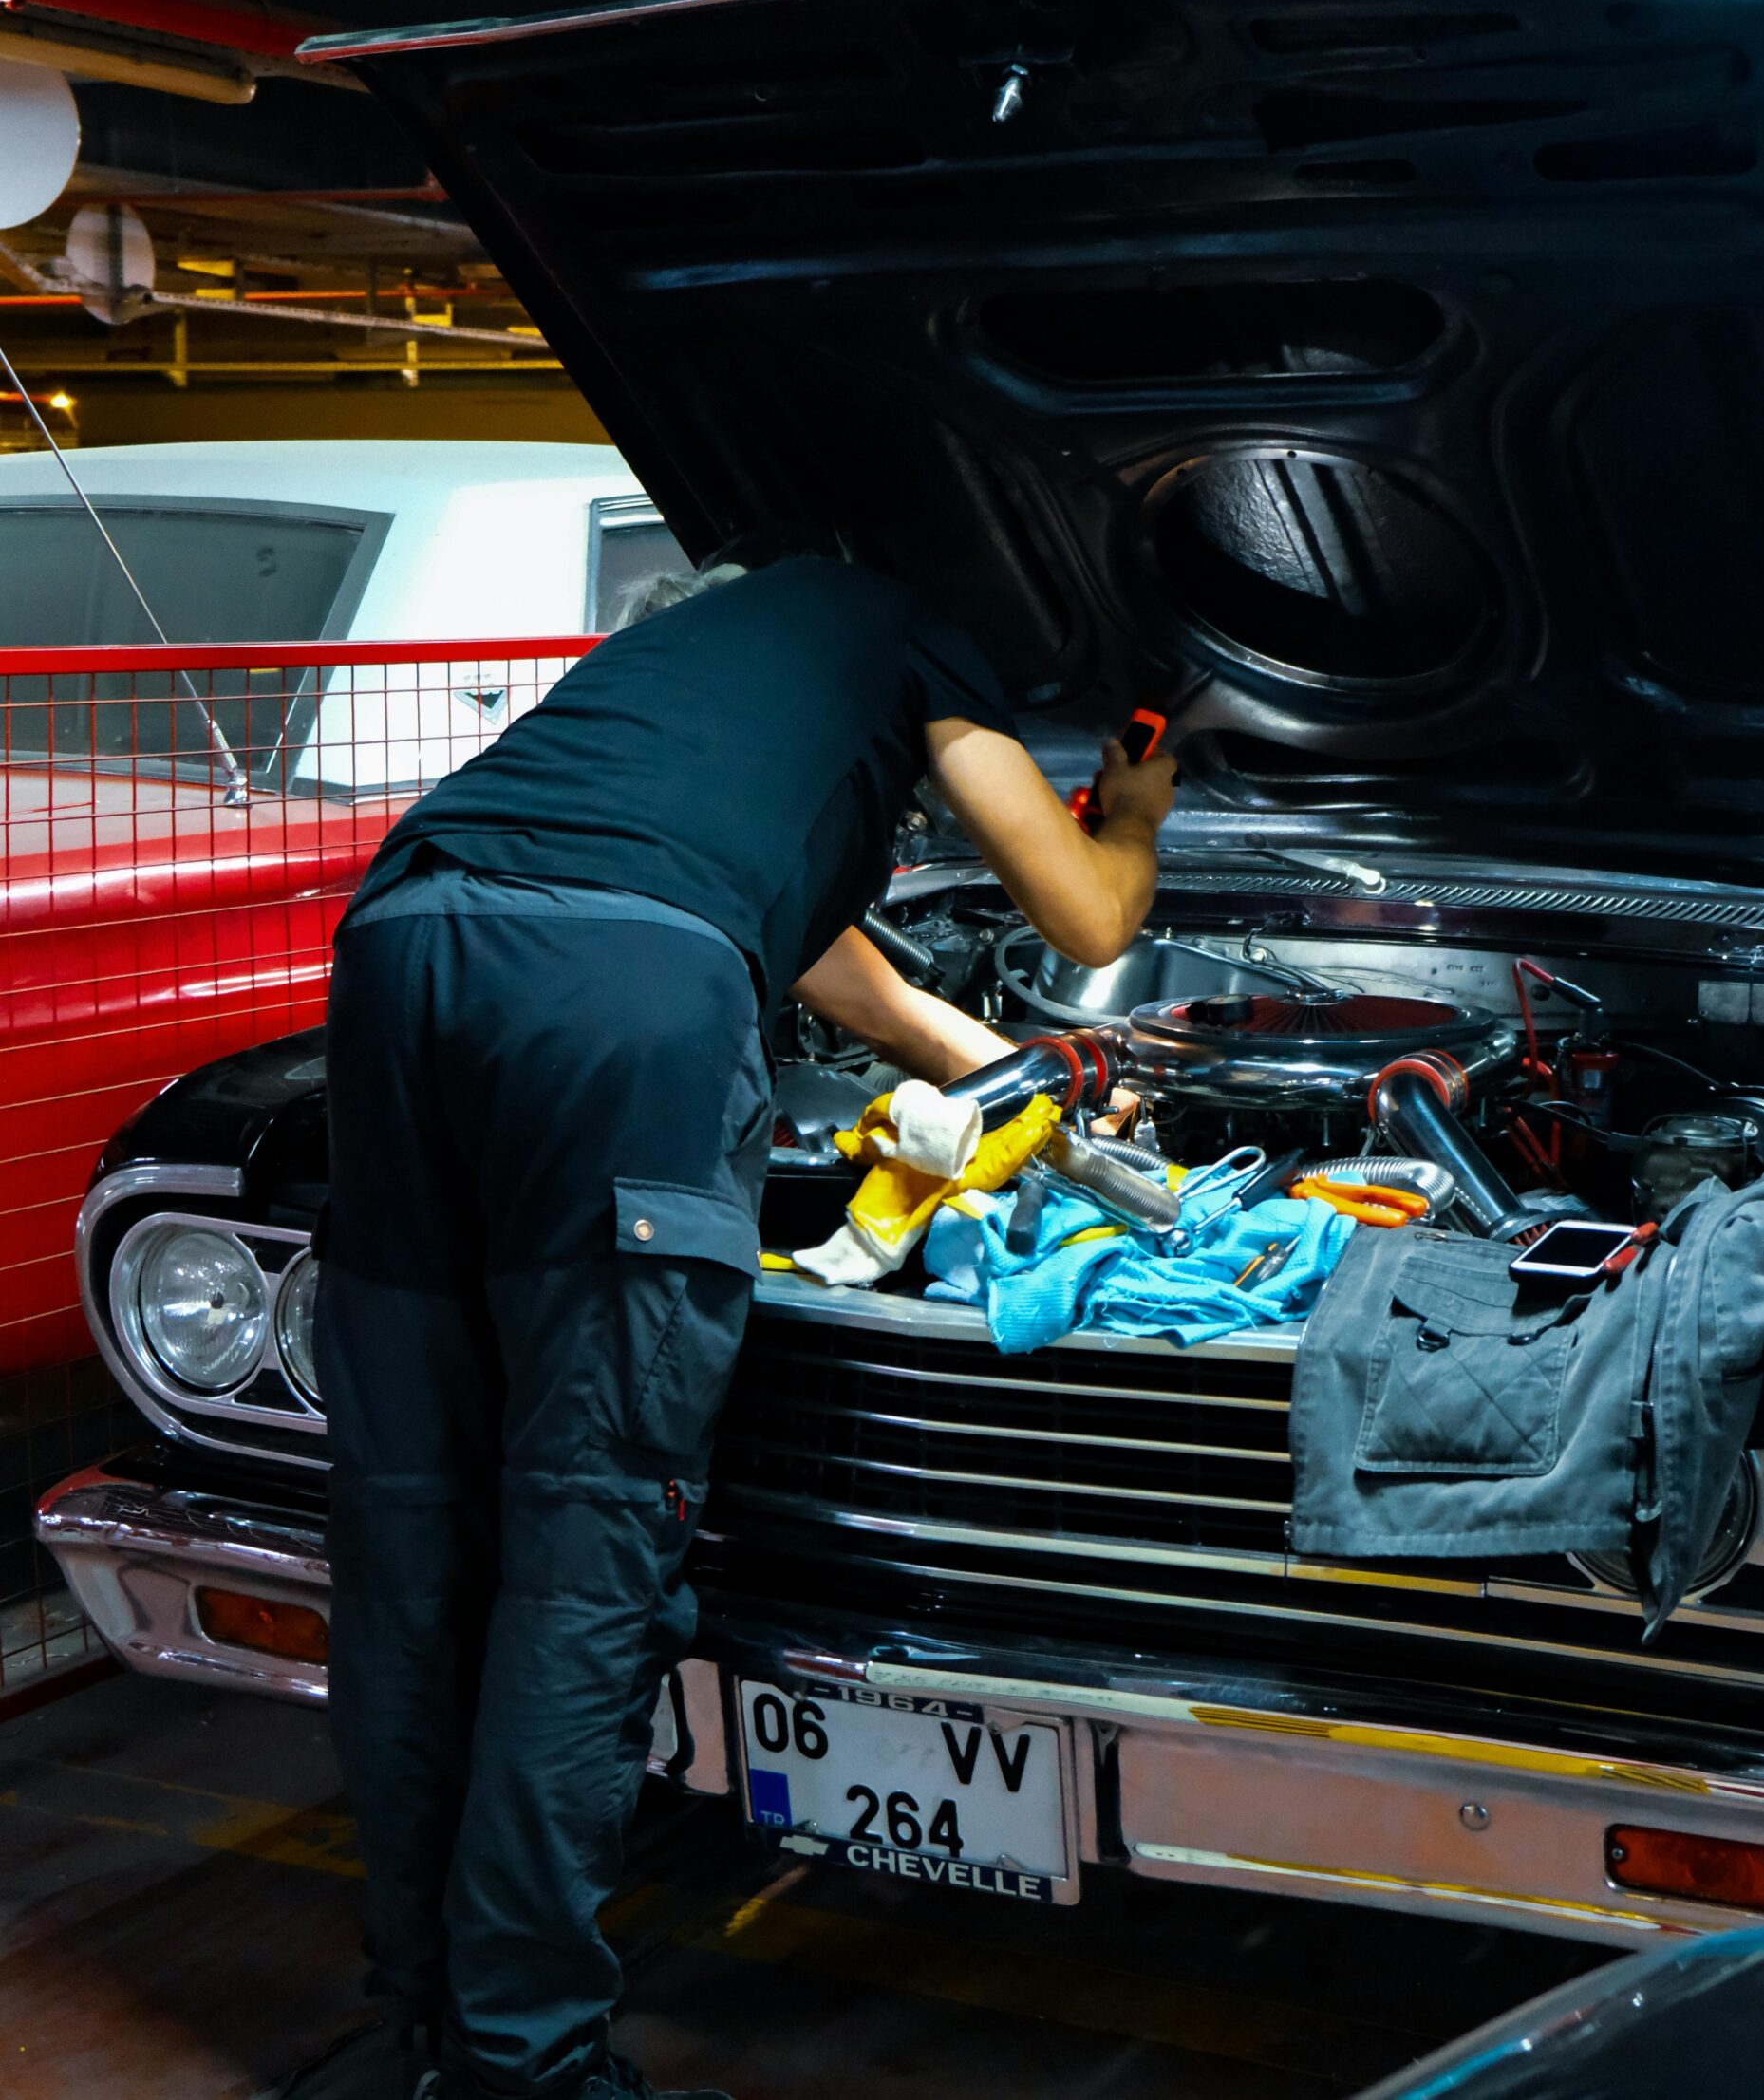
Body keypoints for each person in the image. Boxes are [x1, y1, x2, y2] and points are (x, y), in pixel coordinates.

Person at [309, 540, 1174, 2100]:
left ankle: (426, 2028)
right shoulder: (908, 619)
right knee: (581, 1557)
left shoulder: (673, 702)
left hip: (401, 945)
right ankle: (527, 2066)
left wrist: (1032, 1100)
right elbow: (1094, 921)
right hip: (616, 1003)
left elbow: (858, 986)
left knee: (412, 1535)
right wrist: (1133, 810)